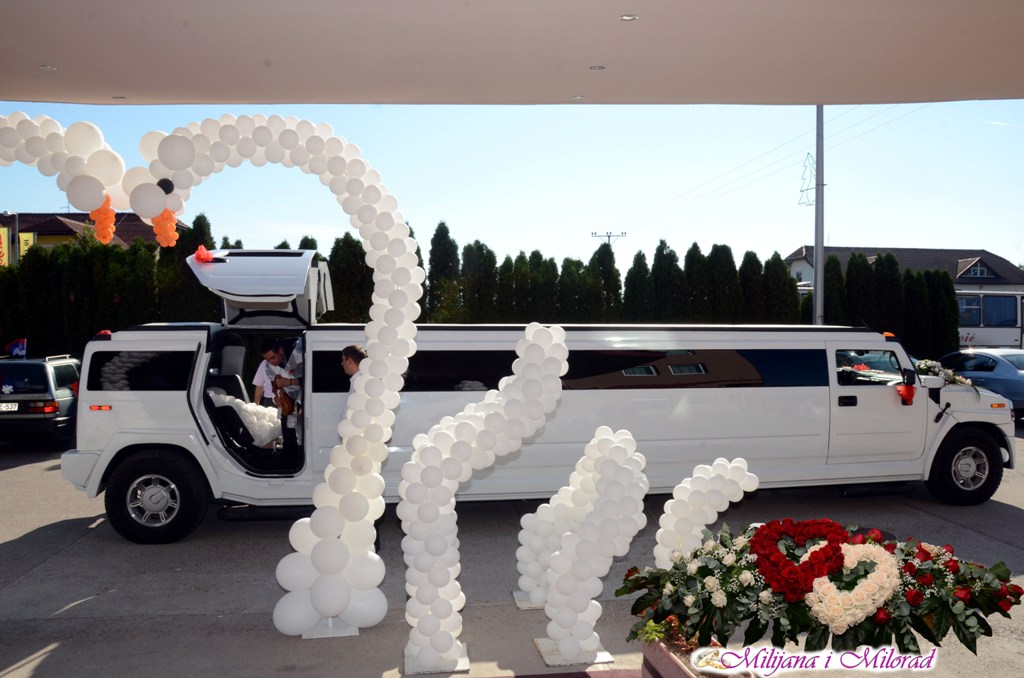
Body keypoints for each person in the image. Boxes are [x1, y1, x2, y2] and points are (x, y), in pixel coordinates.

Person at [261, 337, 304, 455]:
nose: (271, 362)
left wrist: (289, 382)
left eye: (272, 358)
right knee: (287, 426)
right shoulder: (271, 364)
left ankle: (302, 454)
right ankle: (289, 454)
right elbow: (274, 381)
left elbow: (313, 377)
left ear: (280, 351)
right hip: (287, 400)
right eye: (267, 360)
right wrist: (276, 395)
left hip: (307, 397)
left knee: (304, 430)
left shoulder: (299, 352)